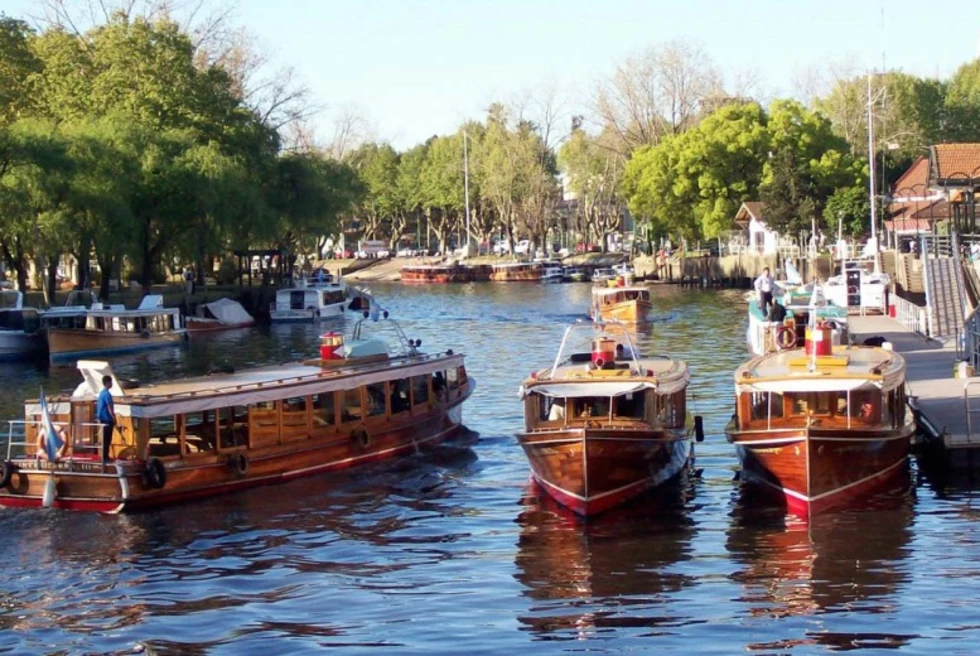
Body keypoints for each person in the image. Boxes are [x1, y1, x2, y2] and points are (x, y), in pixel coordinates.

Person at [97, 375, 116, 464]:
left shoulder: (101, 393)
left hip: (102, 418)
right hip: (107, 419)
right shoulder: (107, 394)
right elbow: (109, 407)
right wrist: (114, 418)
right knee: (107, 439)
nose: (112, 383)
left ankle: (105, 456)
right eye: (111, 382)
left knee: (105, 438)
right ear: (107, 383)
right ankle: (105, 457)